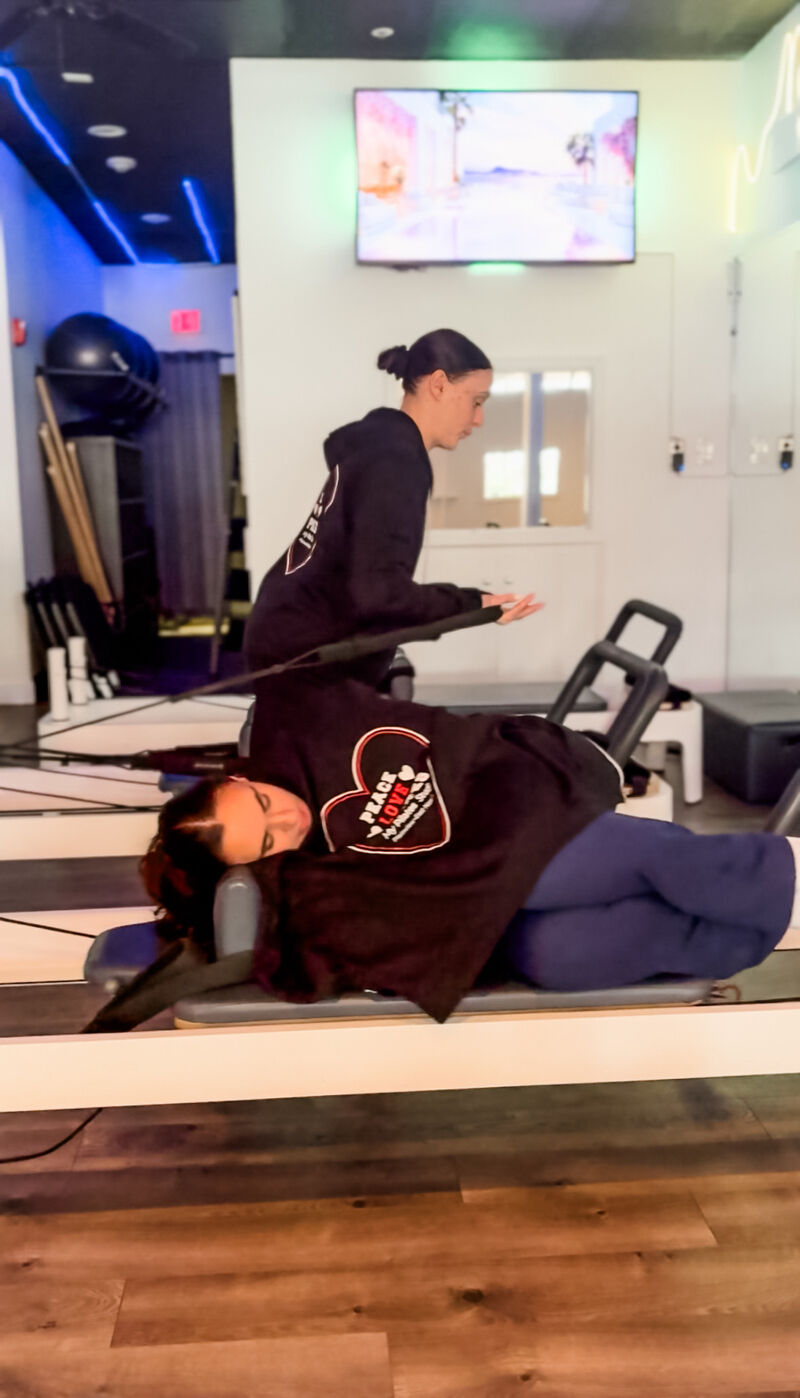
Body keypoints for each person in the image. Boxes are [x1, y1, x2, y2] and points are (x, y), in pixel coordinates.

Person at [141, 674, 800, 1024]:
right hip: (485, 911)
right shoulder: (304, 885)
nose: (285, 818)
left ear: (241, 778)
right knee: (557, 955)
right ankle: (734, 939)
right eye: (267, 840)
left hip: (516, 801)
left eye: (262, 802)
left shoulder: (302, 742)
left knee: (552, 868)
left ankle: (783, 875)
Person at [243, 328, 541, 688]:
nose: (479, 419)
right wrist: (472, 604)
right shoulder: (396, 461)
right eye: (476, 401)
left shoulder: (381, 447)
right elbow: (381, 594)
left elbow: (370, 586)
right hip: (306, 659)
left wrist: (475, 607)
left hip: (289, 636)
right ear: (439, 385)